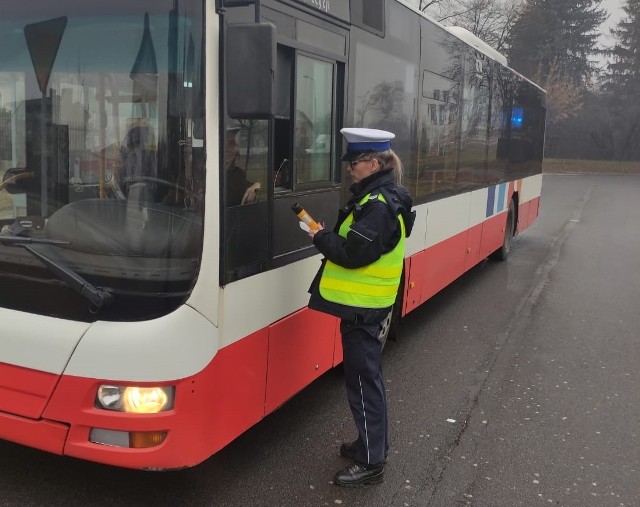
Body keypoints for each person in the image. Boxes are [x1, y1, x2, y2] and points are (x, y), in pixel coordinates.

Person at [306, 127, 415, 487]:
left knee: (365, 383)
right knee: (364, 380)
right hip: (364, 308)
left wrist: (320, 238)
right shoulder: (377, 198)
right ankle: (370, 444)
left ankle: (371, 463)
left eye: (354, 162)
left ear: (373, 163)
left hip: (365, 312)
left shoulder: (378, 206)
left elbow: (354, 255)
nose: (350, 169)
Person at [225, 128, 260, 206]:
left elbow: (255, 186)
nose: (226, 149)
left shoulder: (237, 174)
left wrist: (254, 188)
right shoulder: (206, 176)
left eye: (232, 143)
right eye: (231, 143)